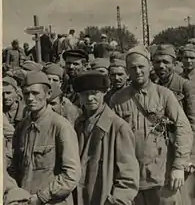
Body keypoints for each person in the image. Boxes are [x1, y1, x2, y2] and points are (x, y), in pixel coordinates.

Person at [110, 45, 193, 205]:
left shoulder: (164, 95)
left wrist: (179, 165)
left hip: (162, 173)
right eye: (133, 68)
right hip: (131, 177)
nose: (138, 71)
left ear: (149, 66)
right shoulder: (117, 99)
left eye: (141, 66)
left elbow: (183, 128)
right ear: (127, 70)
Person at [9, 71, 81, 205]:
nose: (30, 98)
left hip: (52, 201)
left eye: (35, 93)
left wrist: (41, 197)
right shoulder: (22, 127)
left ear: (48, 94)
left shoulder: (61, 126)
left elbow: (71, 174)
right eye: (26, 93)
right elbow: (14, 167)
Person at [152, 44, 195, 205]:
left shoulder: (185, 86)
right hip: (164, 152)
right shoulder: (153, 86)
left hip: (186, 150)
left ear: (174, 63)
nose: (161, 66)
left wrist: (189, 157)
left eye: (166, 62)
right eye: (157, 62)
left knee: (192, 197)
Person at [71, 70, 139, 205]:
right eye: (85, 94)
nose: (90, 98)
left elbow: (128, 175)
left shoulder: (119, 127)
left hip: (105, 199)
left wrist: (118, 200)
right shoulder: (78, 124)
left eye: (94, 93)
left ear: (104, 93)